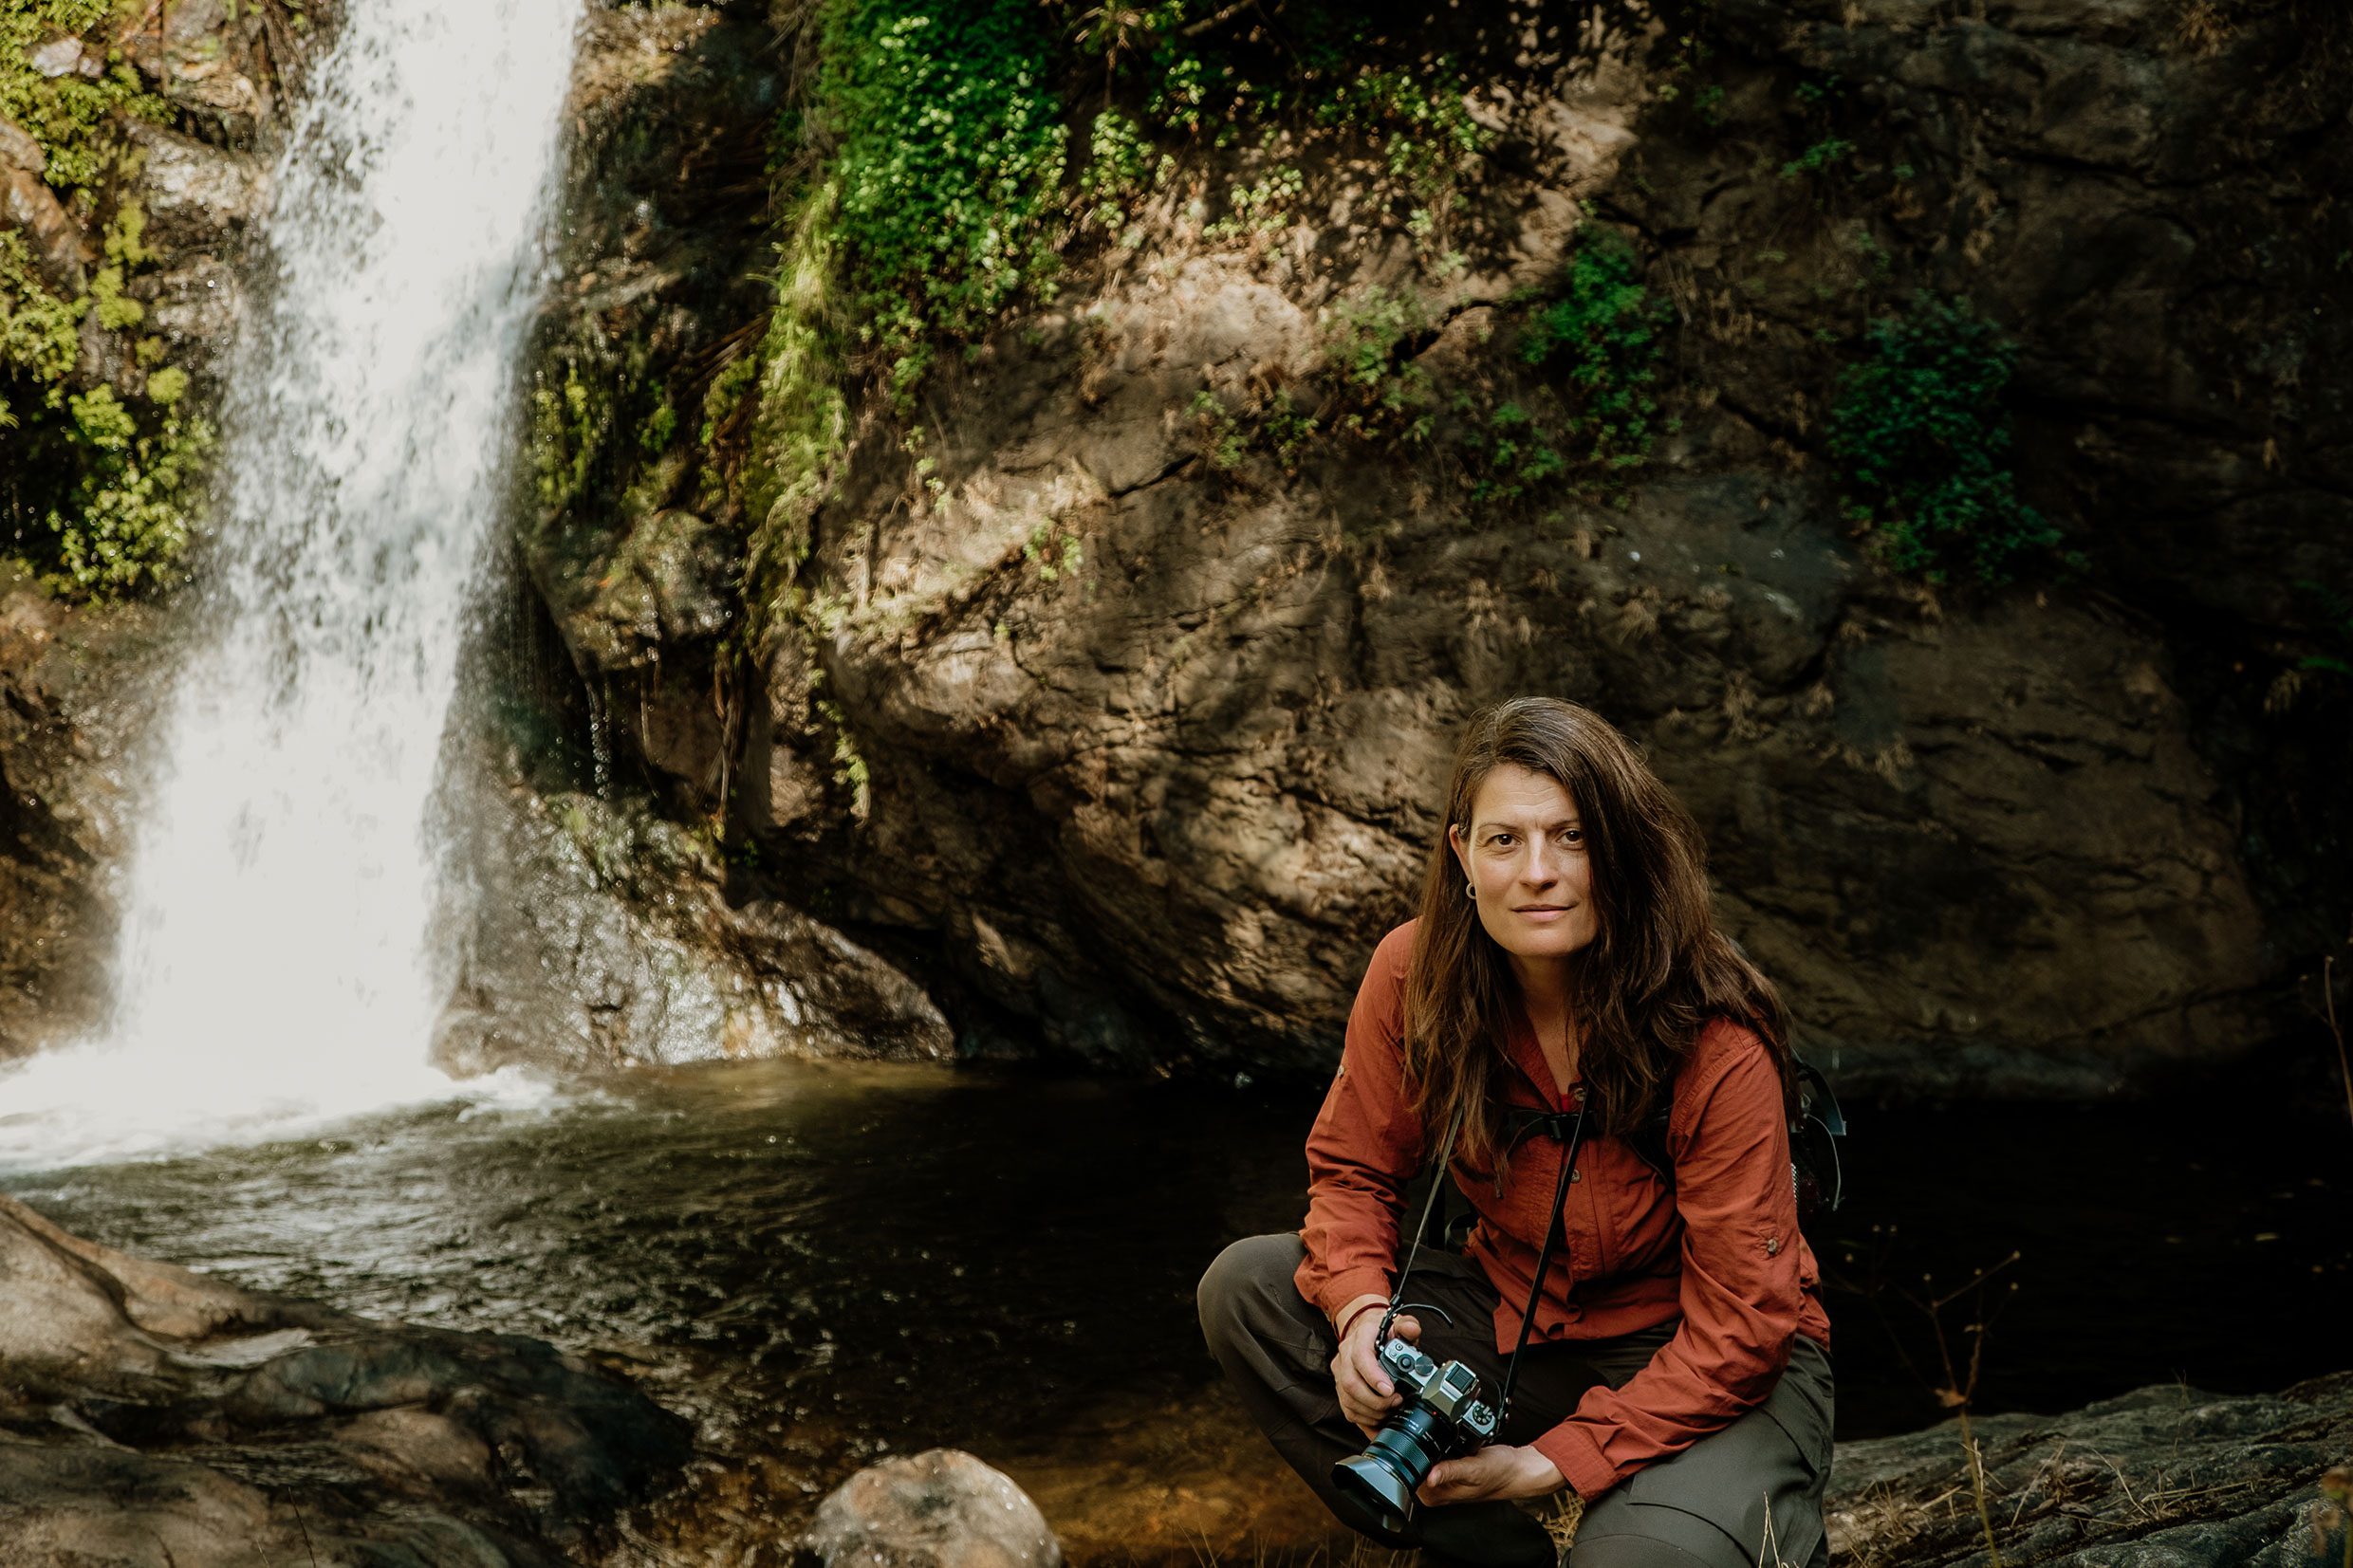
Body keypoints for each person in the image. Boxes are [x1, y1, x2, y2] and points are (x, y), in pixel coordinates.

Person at [1197, 697, 1833, 1568]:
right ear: (1462, 853)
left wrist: (1546, 1462)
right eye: (1504, 840)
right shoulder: (1412, 973)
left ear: (1622, 849)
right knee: (1246, 1289)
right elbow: (1352, 1174)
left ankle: (1644, 1523)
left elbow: (1748, 1323)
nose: (1539, 871)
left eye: (1572, 837)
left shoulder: (1713, 1025)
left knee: (1633, 1563)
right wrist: (1359, 1318)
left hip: (1710, 1352)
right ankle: (1507, 1545)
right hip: (1514, 1324)